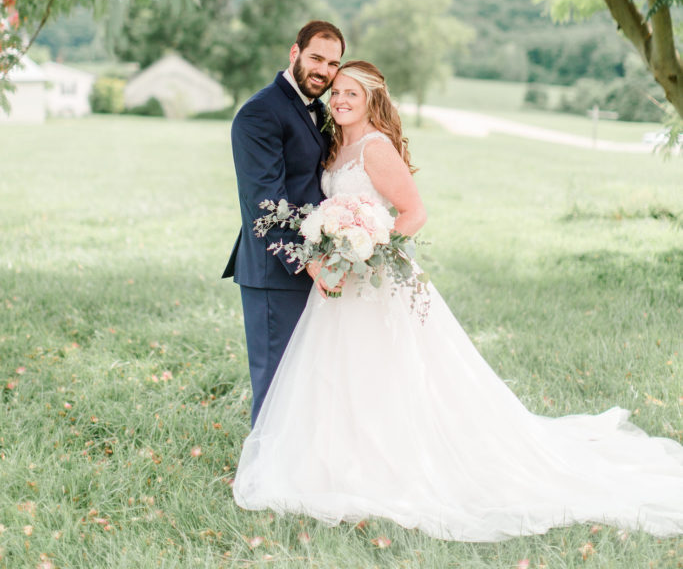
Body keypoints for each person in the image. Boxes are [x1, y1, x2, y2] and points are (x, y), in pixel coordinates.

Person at [233, 59, 683, 542]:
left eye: (352, 95)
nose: (340, 100)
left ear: (372, 101)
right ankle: (338, 457)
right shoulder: (336, 144)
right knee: (340, 372)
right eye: (336, 92)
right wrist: (336, 251)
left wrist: (366, 252)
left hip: (372, 279)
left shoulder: (375, 148)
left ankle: (396, 462)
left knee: (389, 373)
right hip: (340, 286)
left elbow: (414, 212)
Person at [222, 20, 345, 425]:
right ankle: (263, 479)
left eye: (332, 63)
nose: (323, 70)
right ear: (294, 54)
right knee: (276, 380)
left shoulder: (319, 111)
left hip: (316, 265)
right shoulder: (260, 113)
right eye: (316, 58)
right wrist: (309, 260)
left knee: (307, 378)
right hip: (276, 270)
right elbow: (266, 203)